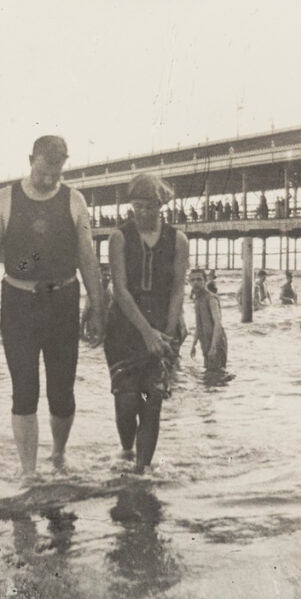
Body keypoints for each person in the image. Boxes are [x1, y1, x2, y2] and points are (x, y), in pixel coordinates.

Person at [0, 135, 105, 477]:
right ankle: (28, 473)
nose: (48, 180)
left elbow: (88, 259)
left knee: (62, 392)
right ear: (30, 159)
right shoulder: (4, 200)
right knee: (24, 390)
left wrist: (98, 306)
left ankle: (58, 455)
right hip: (18, 302)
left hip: (62, 300)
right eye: (42, 172)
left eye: (55, 174)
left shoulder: (74, 200)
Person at [104, 173, 188, 473]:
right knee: (127, 400)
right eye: (137, 207)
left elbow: (178, 290)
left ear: (161, 207)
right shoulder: (119, 238)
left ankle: (141, 472)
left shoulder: (178, 240)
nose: (142, 213)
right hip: (124, 327)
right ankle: (127, 450)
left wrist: (165, 335)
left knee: (153, 400)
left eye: (149, 207)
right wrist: (146, 332)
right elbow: (121, 291)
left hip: (163, 323)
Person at [189, 269, 227, 371]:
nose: (195, 282)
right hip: (205, 340)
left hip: (215, 340)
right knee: (209, 373)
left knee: (216, 372)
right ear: (189, 282)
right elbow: (198, 324)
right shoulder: (198, 299)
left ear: (205, 281)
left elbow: (218, 324)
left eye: (199, 279)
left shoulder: (211, 298)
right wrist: (194, 344)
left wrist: (213, 347)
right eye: (192, 280)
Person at [81, 266, 113, 341]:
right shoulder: (94, 291)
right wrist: (82, 332)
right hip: (94, 324)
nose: (107, 277)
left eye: (108, 275)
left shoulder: (110, 291)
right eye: (105, 275)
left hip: (104, 325)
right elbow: (85, 312)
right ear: (100, 276)